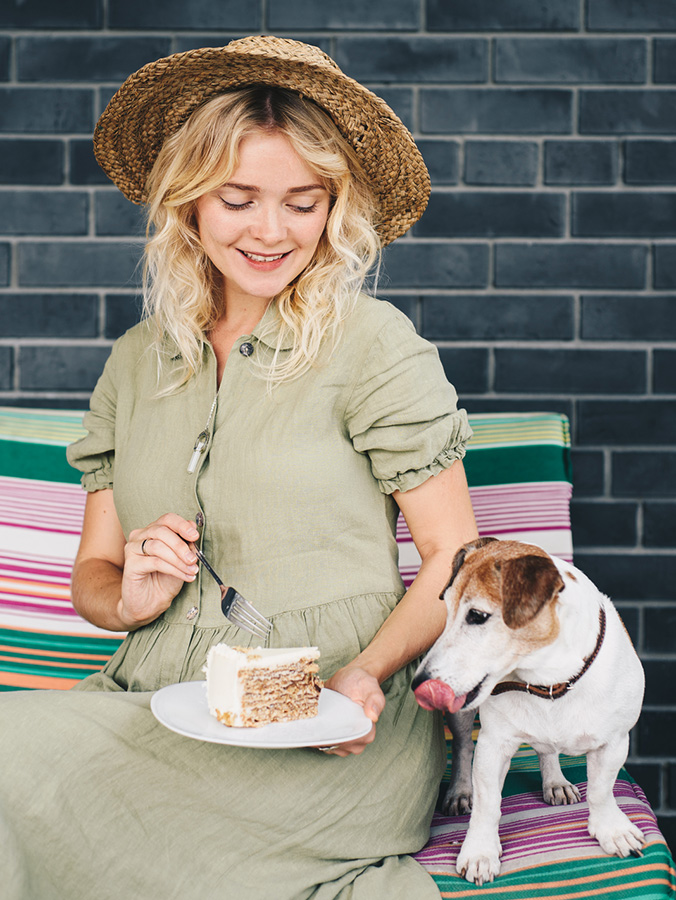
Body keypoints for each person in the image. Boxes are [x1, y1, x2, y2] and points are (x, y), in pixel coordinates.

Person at [0, 36, 478, 899]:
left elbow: (453, 558)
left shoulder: (373, 347)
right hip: (150, 705)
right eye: (238, 199)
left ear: (335, 209)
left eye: (303, 202)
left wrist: (366, 675)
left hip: (331, 733)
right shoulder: (136, 363)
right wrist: (130, 597)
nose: (271, 231)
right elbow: (95, 579)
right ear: (188, 202)